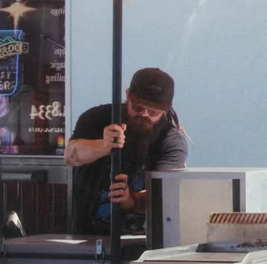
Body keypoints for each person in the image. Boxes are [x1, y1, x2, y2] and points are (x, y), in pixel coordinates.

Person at [65, 66, 187, 237]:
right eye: (137, 107)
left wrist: (131, 201)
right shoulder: (97, 118)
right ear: (127, 95)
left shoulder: (170, 140)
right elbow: (70, 155)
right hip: (86, 235)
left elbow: (165, 192)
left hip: (142, 241)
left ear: (166, 109)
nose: (144, 114)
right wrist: (103, 146)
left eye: (153, 111)